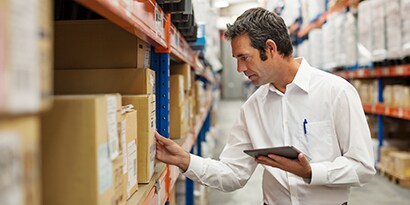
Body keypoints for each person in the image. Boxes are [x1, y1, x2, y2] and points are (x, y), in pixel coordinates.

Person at [155, 7, 376, 205]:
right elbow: (233, 173)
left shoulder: (336, 92)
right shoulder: (253, 108)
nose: (240, 68)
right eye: (236, 59)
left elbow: (362, 166)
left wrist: (311, 172)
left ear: (270, 48)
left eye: (245, 57)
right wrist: (185, 160)